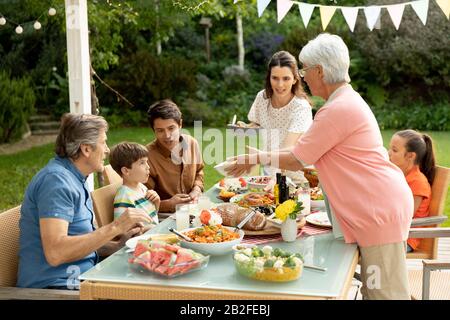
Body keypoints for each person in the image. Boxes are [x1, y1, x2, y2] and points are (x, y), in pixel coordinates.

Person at [226, 33, 413, 300]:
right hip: (377, 207)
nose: (302, 77)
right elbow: (305, 153)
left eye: (303, 70)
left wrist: (256, 157)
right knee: (376, 290)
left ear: (320, 71)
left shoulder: (338, 109)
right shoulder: (343, 102)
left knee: (386, 295)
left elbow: (297, 158)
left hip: (378, 210)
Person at [17, 113, 152, 289]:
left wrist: (116, 245)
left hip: (82, 279)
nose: (107, 149)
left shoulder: (74, 178)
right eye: (103, 142)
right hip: (54, 288)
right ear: (86, 149)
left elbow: (79, 242)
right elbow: (56, 252)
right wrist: (115, 227)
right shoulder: (56, 183)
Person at [247, 50, 313, 180]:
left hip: (297, 177)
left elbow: (288, 149)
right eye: (275, 78)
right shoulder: (262, 98)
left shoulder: (301, 107)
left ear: (295, 79)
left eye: (286, 78)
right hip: (269, 173)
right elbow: (257, 122)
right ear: (269, 77)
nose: (280, 84)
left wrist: (259, 158)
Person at [145, 99, 204, 213]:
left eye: (171, 128)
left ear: (180, 124)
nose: (167, 136)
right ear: (153, 130)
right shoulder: (146, 157)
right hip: (164, 217)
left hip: (193, 209)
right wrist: (168, 205)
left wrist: (197, 189)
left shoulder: (192, 143)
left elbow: (199, 171)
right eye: (160, 130)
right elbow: (142, 203)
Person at [388, 129, 435, 253]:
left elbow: (407, 215)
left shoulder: (418, 182)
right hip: (393, 234)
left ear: (410, 156)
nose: (389, 153)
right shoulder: (399, 176)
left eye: (394, 150)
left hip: (406, 239)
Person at [109, 142, 161, 225]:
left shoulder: (141, 187)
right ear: (126, 171)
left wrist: (156, 203)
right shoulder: (124, 197)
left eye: (147, 162)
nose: (148, 166)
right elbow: (121, 230)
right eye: (142, 163)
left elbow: (152, 219)